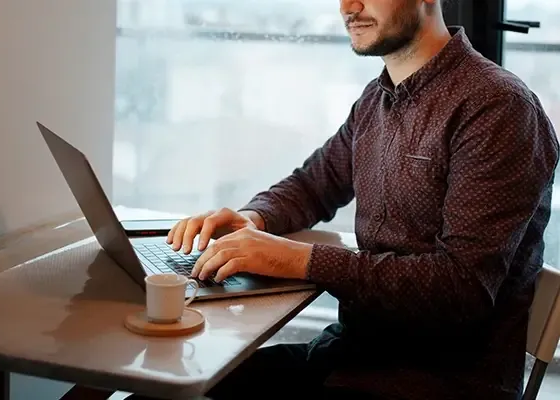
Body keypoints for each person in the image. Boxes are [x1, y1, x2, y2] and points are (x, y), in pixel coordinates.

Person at [63, 0, 559, 399]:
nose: (348, 6)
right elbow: (313, 184)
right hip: (348, 357)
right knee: (153, 389)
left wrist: (301, 260)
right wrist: (252, 218)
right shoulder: (377, 99)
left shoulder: (497, 109)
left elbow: (462, 289)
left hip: (432, 383)